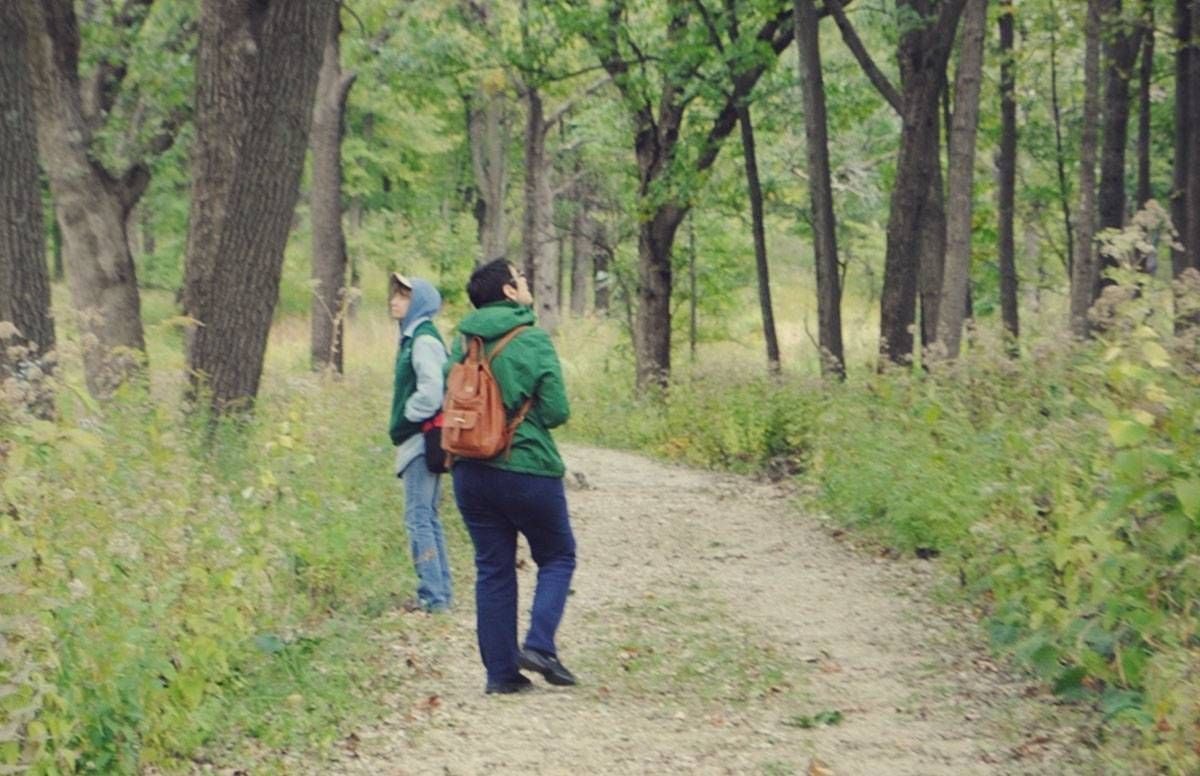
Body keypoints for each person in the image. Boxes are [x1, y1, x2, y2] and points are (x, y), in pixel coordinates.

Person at [448, 258, 577, 694]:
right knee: (558, 556)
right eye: (521, 279)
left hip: (469, 470)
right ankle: (539, 644)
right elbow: (558, 411)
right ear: (508, 291)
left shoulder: (462, 341)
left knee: (493, 570)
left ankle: (501, 676)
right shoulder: (533, 339)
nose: (526, 285)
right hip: (528, 470)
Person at [388, 272, 453, 614]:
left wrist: (406, 415)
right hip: (424, 438)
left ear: (420, 303)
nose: (394, 301)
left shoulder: (423, 340)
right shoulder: (416, 336)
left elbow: (431, 391)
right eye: (395, 295)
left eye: (404, 297)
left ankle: (433, 597)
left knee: (418, 517)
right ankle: (440, 593)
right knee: (428, 515)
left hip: (421, 440)